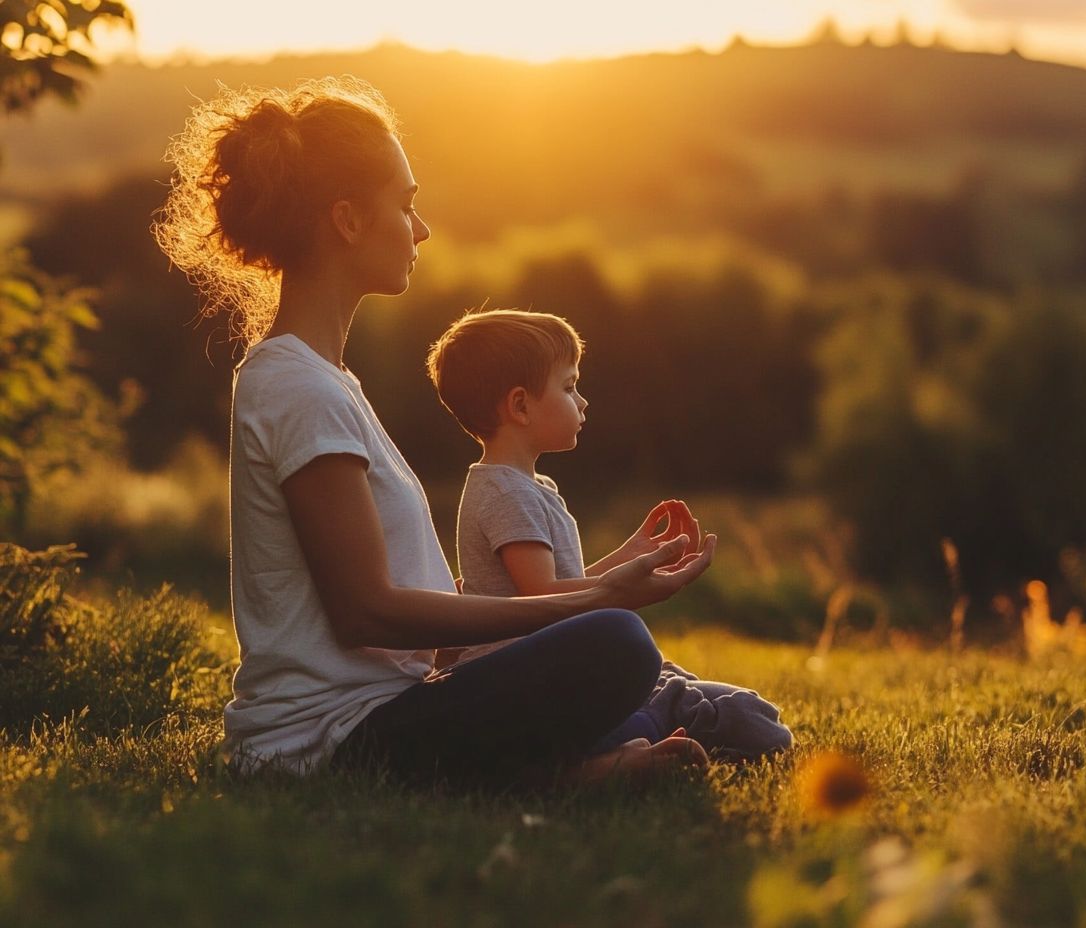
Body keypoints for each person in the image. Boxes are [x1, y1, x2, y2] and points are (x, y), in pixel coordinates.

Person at [152, 76, 717, 785]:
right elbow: (367, 613)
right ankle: (571, 771)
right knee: (618, 644)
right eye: (407, 205)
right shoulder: (296, 385)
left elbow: (397, 601)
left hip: (389, 708)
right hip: (331, 742)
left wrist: (597, 582)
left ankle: (580, 762)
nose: (421, 230)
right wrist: (600, 599)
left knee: (609, 646)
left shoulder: (326, 382)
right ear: (349, 220)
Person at [425, 309, 792, 761]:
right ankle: (633, 736)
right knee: (751, 720)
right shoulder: (504, 492)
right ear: (520, 406)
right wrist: (627, 588)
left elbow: (557, 588)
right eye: (568, 387)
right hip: (538, 680)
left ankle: (653, 721)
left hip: (561, 665)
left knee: (731, 705)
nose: (582, 402)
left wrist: (625, 557)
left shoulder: (531, 487)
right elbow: (541, 597)